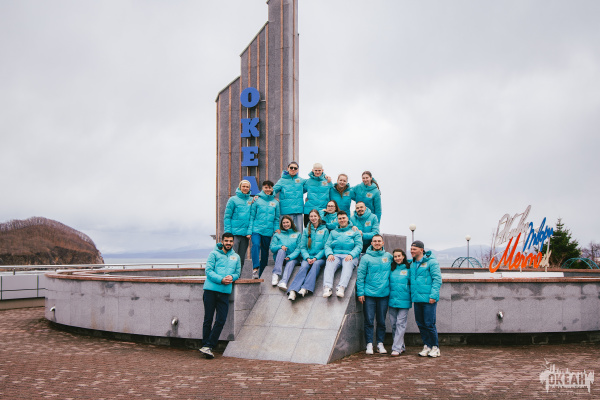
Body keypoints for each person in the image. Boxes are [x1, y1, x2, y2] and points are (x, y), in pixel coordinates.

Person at [199, 233, 241, 359]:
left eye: (230, 241)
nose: (228, 243)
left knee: (221, 320)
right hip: (210, 291)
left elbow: (237, 273)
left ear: (233, 242)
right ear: (222, 241)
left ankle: (208, 346)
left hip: (224, 292)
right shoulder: (214, 254)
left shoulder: (236, 257)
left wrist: (232, 277)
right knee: (208, 319)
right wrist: (221, 279)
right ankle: (206, 346)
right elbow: (208, 271)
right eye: (226, 241)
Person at [356, 235, 392, 355]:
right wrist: (360, 292)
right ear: (371, 243)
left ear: (383, 243)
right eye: (375, 241)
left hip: (384, 294)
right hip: (369, 294)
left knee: (381, 321)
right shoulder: (366, 258)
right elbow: (360, 276)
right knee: (369, 320)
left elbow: (400, 264)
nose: (377, 243)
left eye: (379, 241)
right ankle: (369, 344)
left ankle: (380, 344)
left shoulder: (388, 256)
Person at [287, 209, 329, 301]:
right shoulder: (306, 230)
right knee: (304, 267)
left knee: (316, 265)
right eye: (311, 216)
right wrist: (307, 257)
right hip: (308, 257)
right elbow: (303, 247)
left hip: (319, 258)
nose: (313, 218)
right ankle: (293, 290)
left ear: (318, 217)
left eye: (315, 216)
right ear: (309, 218)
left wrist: (316, 258)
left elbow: (325, 247)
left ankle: (305, 288)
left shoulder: (325, 230)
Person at [410, 240, 442, 358]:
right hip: (417, 299)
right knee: (420, 324)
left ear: (421, 250)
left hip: (428, 299)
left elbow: (437, 279)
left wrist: (433, 296)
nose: (412, 251)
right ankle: (427, 346)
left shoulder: (431, 262)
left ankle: (435, 347)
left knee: (429, 324)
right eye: (411, 249)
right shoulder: (412, 263)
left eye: (414, 249)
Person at [322, 211, 362, 298]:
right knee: (329, 263)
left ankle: (341, 287)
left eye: (344, 218)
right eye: (340, 218)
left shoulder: (354, 231)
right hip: (335, 255)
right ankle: (327, 287)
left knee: (348, 265)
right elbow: (327, 245)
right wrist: (329, 254)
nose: (342, 220)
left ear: (347, 218)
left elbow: (359, 246)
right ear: (337, 220)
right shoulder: (333, 232)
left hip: (349, 255)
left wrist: (351, 254)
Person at [248, 180, 280, 279]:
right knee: (256, 245)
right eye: (266, 187)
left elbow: (276, 219)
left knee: (265, 252)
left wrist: (276, 229)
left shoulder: (275, 202)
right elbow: (252, 217)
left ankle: (261, 274)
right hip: (256, 229)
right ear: (262, 188)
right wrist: (249, 231)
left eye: (269, 187)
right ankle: (255, 268)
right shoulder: (256, 200)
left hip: (268, 231)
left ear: (272, 189)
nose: (268, 189)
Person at [223, 180, 253, 271]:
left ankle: (237, 276)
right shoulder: (233, 200)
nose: (245, 188)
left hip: (245, 235)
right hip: (234, 234)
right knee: (231, 257)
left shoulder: (251, 200)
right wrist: (228, 233)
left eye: (247, 187)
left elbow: (252, 217)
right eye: (243, 186)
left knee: (241, 259)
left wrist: (249, 232)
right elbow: (227, 217)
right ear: (240, 187)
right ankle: (229, 275)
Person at [388, 248, 411, 356]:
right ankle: (401, 346)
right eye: (395, 256)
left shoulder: (409, 268)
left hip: (404, 301)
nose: (397, 258)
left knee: (400, 324)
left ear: (403, 256)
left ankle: (396, 348)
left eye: (399, 256)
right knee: (394, 325)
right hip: (392, 300)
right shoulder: (391, 268)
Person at [269, 215, 301, 290]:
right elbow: (272, 248)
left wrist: (290, 257)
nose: (285, 224)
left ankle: (283, 282)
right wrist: (280, 246)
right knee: (281, 250)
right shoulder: (278, 234)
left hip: (293, 258)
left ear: (291, 222)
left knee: (291, 262)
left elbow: (298, 248)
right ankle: (275, 274)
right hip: (280, 258)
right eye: (283, 223)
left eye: (287, 222)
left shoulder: (297, 234)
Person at [273, 162, 305, 232]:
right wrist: (272, 199)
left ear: (297, 170)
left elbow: (312, 184)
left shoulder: (301, 180)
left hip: (298, 212)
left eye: (295, 168)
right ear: (288, 168)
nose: (293, 169)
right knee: (285, 233)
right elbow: (272, 191)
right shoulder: (282, 181)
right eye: (291, 167)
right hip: (286, 212)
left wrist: (325, 177)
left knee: (298, 233)